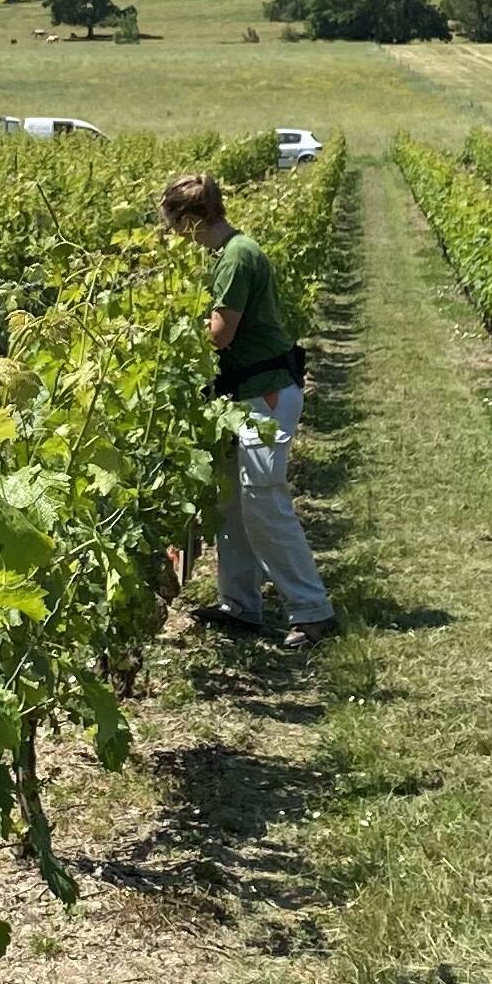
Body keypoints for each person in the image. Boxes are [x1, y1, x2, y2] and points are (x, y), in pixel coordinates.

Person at [160, 170, 333, 639]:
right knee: (233, 504)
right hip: (244, 395)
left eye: (173, 222)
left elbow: (220, 334)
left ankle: (312, 610)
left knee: (264, 501)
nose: (172, 233)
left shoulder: (236, 257)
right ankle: (240, 606)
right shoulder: (226, 253)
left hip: (265, 393)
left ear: (191, 218)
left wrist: (167, 332)